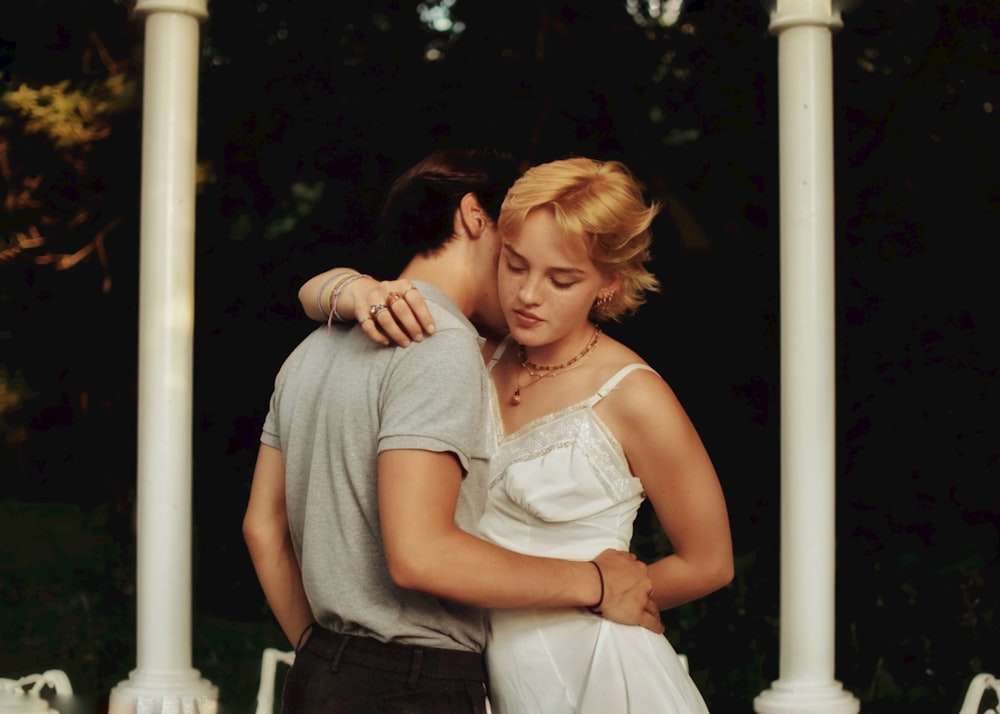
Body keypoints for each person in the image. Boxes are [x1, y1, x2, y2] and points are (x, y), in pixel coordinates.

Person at [301, 157, 734, 713]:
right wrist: (351, 288)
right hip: (481, 673)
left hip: (597, 671)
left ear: (608, 284)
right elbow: (312, 292)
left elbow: (710, 560)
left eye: (562, 279)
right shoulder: (470, 355)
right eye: (515, 264)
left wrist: (617, 594)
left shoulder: (635, 394)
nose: (528, 295)